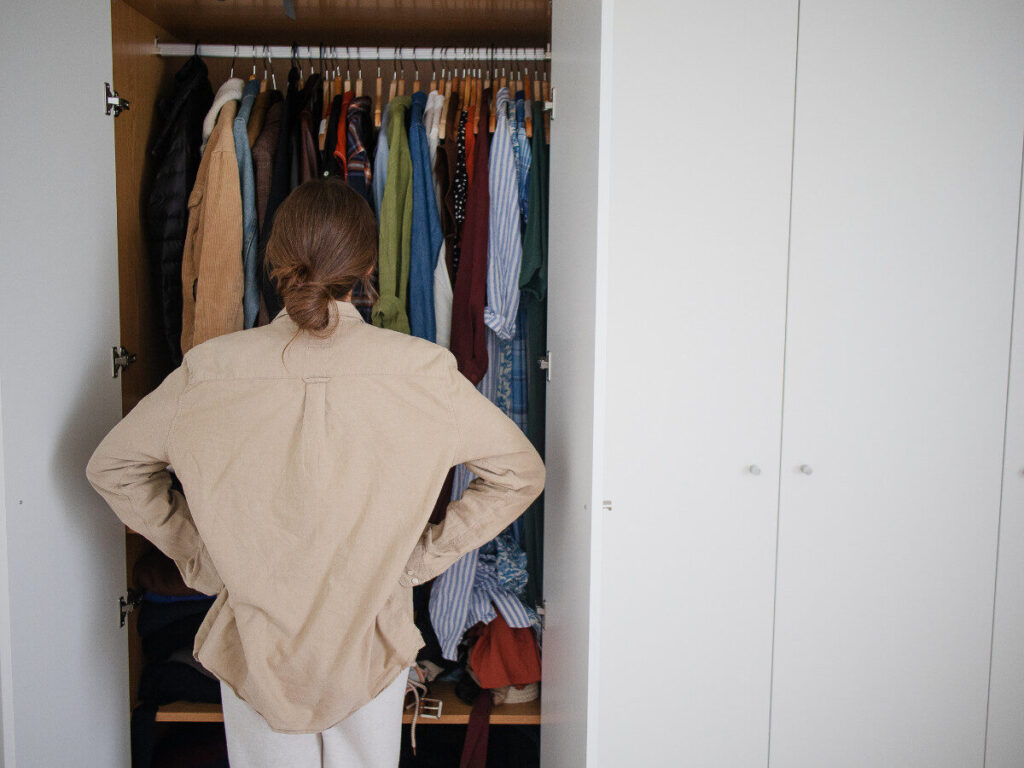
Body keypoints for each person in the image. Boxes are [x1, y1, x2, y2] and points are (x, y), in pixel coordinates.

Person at [85, 177, 545, 768]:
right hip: (370, 640)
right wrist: (417, 560)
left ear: (274, 257)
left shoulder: (209, 370)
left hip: (255, 645)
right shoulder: (421, 371)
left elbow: (114, 467)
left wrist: (200, 556)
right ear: (367, 264)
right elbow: (519, 473)